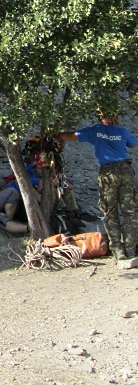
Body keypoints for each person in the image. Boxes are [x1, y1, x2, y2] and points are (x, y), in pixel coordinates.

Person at [56, 113, 138, 269]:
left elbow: (69, 135)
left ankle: (117, 250)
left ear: (100, 116)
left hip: (107, 173)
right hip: (126, 172)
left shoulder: (94, 131)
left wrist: (57, 136)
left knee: (110, 212)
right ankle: (130, 249)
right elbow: (132, 143)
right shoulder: (122, 131)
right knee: (129, 211)